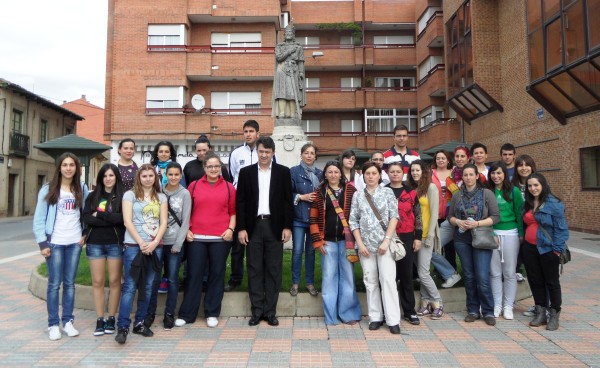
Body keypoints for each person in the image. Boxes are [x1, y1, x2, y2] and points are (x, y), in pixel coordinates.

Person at [236, 136, 293, 326]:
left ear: (273, 153)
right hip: (253, 226)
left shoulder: (283, 172)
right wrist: (242, 228)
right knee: (254, 269)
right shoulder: (246, 173)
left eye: (267, 152)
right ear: (257, 152)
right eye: (261, 152)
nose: (264, 155)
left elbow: (287, 201)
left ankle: (270, 312)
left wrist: (287, 227)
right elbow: (241, 203)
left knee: (273, 269)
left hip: (274, 226)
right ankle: (256, 311)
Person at [175, 153, 236, 329]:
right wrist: (187, 231)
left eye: (216, 166)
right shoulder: (193, 186)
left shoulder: (229, 187)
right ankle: (187, 314)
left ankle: (212, 312)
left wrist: (230, 229)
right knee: (194, 275)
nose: (213, 169)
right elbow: (187, 213)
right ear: (204, 168)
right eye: (210, 166)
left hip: (220, 238)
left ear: (221, 167)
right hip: (197, 238)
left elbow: (233, 212)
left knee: (216, 275)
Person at [33, 152, 89, 341]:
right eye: (64, 165)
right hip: (55, 242)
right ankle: (53, 324)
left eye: (71, 165)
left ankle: (67, 322)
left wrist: (85, 235)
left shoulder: (82, 188)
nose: (68, 168)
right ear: (59, 168)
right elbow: (39, 218)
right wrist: (43, 242)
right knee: (54, 284)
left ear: (76, 168)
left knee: (70, 284)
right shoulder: (48, 189)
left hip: (74, 242)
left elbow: (87, 214)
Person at [115, 164, 168, 344]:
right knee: (130, 286)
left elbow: (163, 223)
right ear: (139, 177)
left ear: (155, 178)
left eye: (150, 176)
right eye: (144, 176)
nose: (147, 179)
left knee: (148, 286)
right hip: (133, 246)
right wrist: (141, 242)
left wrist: (154, 243)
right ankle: (122, 326)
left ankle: (139, 323)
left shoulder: (161, 197)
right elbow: (127, 221)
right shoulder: (130, 195)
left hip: (155, 247)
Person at [349, 161, 401, 334]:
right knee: (370, 281)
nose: (370, 176)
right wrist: (360, 243)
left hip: (384, 245)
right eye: (367, 173)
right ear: (363, 176)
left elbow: (394, 217)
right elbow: (353, 221)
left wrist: (387, 240)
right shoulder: (357, 196)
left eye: (374, 173)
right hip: (365, 246)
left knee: (388, 280)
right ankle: (375, 317)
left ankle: (393, 320)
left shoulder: (387, 193)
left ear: (380, 175)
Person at [309, 160, 362, 325]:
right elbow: (313, 218)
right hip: (328, 242)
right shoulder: (319, 192)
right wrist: (318, 241)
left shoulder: (352, 191)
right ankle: (331, 316)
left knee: (348, 278)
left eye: (336, 172)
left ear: (341, 174)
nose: (333, 175)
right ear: (325, 174)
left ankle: (348, 314)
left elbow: (358, 216)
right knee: (329, 278)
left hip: (347, 242)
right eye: (330, 172)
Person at [448, 163, 500, 326]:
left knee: (483, 277)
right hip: (463, 240)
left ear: (477, 176)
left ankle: (488, 311)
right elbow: (450, 217)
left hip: (482, 238)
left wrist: (477, 224)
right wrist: (459, 222)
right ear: (461, 177)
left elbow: (496, 217)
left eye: (471, 174)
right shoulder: (457, 196)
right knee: (469, 276)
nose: (468, 178)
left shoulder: (487, 194)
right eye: (465, 175)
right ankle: (472, 309)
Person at [146, 162, 191, 330]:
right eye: (170, 174)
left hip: (174, 243)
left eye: (176, 175)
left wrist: (179, 244)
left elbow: (185, 220)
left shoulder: (185, 194)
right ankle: (150, 313)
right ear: (166, 175)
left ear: (181, 176)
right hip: (158, 242)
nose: (173, 177)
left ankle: (169, 314)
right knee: (154, 279)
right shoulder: (159, 192)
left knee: (172, 280)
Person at [83, 163, 125, 336]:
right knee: (98, 282)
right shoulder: (92, 196)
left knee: (115, 281)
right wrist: (110, 219)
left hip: (115, 243)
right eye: (105, 176)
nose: (108, 179)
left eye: (111, 176)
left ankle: (111, 318)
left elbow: (122, 219)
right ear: (101, 178)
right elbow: (86, 217)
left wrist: (99, 215)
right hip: (95, 243)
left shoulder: (123, 197)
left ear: (116, 177)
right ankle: (100, 319)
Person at [522, 173, 568, 331]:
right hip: (529, 248)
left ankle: (554, 315)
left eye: (536, 185)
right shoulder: (528, 203)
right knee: (535, 281)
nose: (533, 188)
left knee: (552, 282)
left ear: (543, 185)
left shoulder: (554, 204)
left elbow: (561, 230)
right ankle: (540, 312)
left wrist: (557, 250)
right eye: (530, 186)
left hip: (548, 249)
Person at [226, 119, 261, 292]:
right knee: (238, 245)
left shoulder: (264, 151)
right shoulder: (236, 153)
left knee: (254, 243)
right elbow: (233, 177)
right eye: (246, 131)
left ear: (258, 134)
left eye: (251, 131)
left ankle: (255, 279)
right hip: (241, 201)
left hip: (259, 203)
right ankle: (236, 278)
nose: (248, 134)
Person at [486, 161, 523, 320]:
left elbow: (520, 214)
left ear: (505, 174)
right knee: (494, 272)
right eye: (493, 173)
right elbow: (485, 215)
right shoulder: (487, 192)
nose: (496, 176)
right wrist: (491, 231)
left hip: (511, 234)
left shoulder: (514, 191)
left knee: (509, 272)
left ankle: (508, 306)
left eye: (499, 173)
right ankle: (497, 305)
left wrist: (521, 234)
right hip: (492, 234)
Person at [408, 160, 444, 320]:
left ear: (424, 171)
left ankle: (437, 302)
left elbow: (435, 213)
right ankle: (425, 302)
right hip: (414, 236)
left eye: (418, 170)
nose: (415, 173)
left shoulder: (431, 188)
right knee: (422, 272)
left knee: (423, 273)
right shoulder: (411, 188)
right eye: (412, 170)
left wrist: (429, 236)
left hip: (426, 236)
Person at [387, 162, 422, 325]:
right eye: (392, 172)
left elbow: (418, 216)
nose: (395, 174)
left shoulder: (411, 192)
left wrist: (418, 237)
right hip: (388, 237)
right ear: (388, 174)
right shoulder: (383, 191)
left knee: (406, 275)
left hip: (407, 236)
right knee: (389, 276)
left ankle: (409, 311)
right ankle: (388, 311)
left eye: (398, 171)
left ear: (403, 173)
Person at [290, 143, 322, 297]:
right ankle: (295, 283)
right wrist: (302, 197)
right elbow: (287, 194)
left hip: (314, 219)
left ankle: (309, 283)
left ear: (316, 156)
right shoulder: (294, 172)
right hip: (298, 218)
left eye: (312, 153)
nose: (309, 156)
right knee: (297, 251)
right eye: (306, 153)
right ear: (301, 154)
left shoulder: (320, 174)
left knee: (310, 252)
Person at [431, 150, 457, 270]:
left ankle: (452, 268)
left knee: (449, 245)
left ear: (448, 160)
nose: (440, 160)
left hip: (450, 213)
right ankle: (440, 271)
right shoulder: (430, 173)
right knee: (436, 244)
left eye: (443, 158)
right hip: (434, 214)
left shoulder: (454, 173)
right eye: (438, 158)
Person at [273, 23, 305, 119]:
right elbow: (279, 58)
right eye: (287, 32)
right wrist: (289, 51)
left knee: (292, 92)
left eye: (290, 32)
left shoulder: (299, 47)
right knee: (281, 92)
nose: (288, 33)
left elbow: (300, 61)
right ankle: (282, 113)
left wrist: (301, 72)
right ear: (284, 34)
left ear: (293, 34)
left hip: (293, 70)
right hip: (282, 69)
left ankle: (292, 114)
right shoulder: (280, 46)